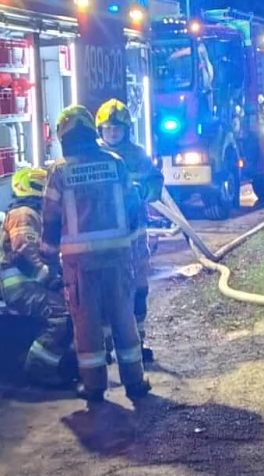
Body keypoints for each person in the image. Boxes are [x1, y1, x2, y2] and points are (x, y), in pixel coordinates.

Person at [41, 105, 150, 403]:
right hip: (118, 259)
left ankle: (94, 386)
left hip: (80, 265)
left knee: (87, 325)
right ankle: (135, 382)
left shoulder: (60, 171)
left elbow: (50, 219)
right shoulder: (115, 163)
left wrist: (48, 260)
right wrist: (136, 249)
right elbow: (134, 209)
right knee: (123, 318)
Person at [95, 99, 163, 364]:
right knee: (104, 291)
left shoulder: (136, 155)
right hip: (104, 235)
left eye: (117, 129)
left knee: (138, 288)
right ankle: (106, 344)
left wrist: (143, 192)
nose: (113, 133)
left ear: (126, 130)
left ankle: (139, 341)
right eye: (108, 128)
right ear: (100, 130)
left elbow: (155, 181)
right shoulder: (93, 156)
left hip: (134, 233)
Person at [0, 167, 75, 388]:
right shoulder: (24, 214)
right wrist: (50, 280)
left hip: (30, 284)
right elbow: (25, 252)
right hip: (22, 287)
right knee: (62, 314)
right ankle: (39, 369)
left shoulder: (32, 213)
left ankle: (63, 364)